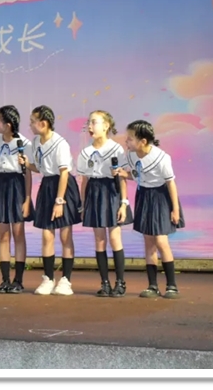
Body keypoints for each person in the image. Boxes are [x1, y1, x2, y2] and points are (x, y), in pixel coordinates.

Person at [114, 120, 184, 299]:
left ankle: (172, 286)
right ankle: (152, 285)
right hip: (144, 195)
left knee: (161, 240)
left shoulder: (161, 158)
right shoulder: (131, 155)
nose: (126, 142)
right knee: (148, 241)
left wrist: (175, 209)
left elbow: (170, 183)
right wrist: (124, 174)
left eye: (130, 139)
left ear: (143, 141)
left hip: (161, 197)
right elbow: (137, 175)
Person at [23, 105, 81, 296]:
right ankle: (48, 278)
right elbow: (39, 168)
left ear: (43, 123)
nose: (30, 125)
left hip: (63, 188)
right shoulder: (35, 142)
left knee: (65, 235)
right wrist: (26, 164)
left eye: (33, 121)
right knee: (47, 235)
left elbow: (64, 172)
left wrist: (59, 201)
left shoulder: (60, 144)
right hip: (47, 185)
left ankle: (66, 280)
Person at [77, 110, 133, 297]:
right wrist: (83, 204)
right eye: (89, 123)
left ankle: (120, 282)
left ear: (106, 126)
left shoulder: (116, 149)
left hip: (111, 191)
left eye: (94, 122)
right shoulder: (85, 152)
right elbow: (84, 181)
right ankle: (105, 283)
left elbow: (122, 178)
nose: (90, 126)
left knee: (115, 237)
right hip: (94, 192)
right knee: (99, 239)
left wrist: (123, 203)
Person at [0, 105, 34, 294]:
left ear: (8, 125)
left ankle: (18, 280)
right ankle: (5, 279)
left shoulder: (24, 143)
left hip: (16, 186)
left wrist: (27, 199)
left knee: (18, 234)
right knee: (3, 235)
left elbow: (27, 173)